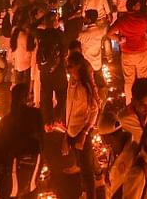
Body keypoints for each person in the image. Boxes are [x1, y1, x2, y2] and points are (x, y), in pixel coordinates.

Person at [111, 0, 147, 104]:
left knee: (129, 81)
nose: (140, 6)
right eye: (138, 4)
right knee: (144, 78)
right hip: (141, 52)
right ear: (133, 7)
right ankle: (146, 102)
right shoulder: (143, 18)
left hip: (127, 53)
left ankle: (129, 103)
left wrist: (119, 39)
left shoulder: (122, 20)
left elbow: (109, 33)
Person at [63, 51, 100, 189]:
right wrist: (66, 134)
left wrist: (84, 133)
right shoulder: (72, 82)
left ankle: (93, 190)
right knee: (82, 164)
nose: (68, 68)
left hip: (81, 130)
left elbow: (94, 110)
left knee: (87, 171)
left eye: (70, 66)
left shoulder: (84, 86)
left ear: (78, 66)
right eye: (67, 65)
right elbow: (70, 107)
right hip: (72, 129)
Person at [77, 8, 108, 89]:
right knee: (99, 86)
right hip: (97, 64)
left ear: (89, 19)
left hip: (86, 66)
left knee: (88, 88)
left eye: (85, 17)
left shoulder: (82, 35)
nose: (84, 19)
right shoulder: (101, 31)